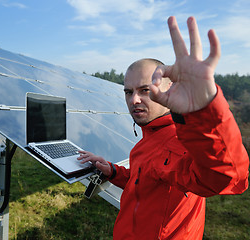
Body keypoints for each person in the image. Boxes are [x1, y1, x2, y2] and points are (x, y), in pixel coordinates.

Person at [77, 16, 249, 239]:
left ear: (169, 89)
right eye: (128, 92)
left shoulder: (179, 142)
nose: (134, 100)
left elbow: (226, 176)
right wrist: (114, 171)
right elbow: (147, 182)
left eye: (144, 90)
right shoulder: (150, 138)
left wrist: (204, 110)